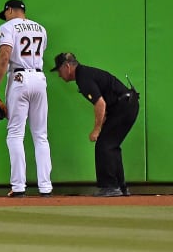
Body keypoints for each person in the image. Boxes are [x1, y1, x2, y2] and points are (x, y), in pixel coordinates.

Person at [0, 0, 53, 197]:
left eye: (5, 12)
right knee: (40, 135)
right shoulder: (41, 29)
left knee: (15, 134)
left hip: (19, 77)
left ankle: (18, 187)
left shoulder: (7, 26)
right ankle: (46, 187)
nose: (5, 15)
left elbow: (5, 56)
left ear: (9, 10)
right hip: (40, 79)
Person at [50, 52, 139, 197]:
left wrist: (96, 130)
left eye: (59, 70)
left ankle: (110, 187)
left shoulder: (83, 77)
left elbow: (100, 103)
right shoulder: (85, 74)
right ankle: (121, 187)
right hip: (127, 104)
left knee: (104, 145)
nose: (59, 75)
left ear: (67, 66)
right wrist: (102, 123)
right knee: (111, 145)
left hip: (123, 106)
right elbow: (104, 103)